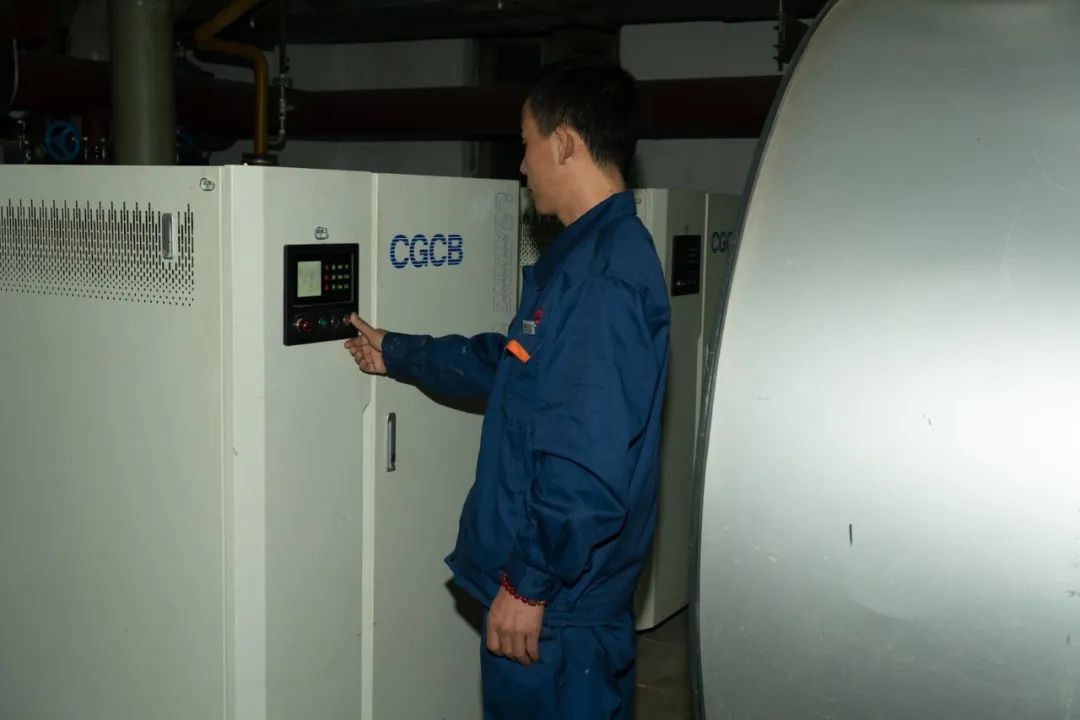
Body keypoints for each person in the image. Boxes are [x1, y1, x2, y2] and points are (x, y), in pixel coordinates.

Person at [344, 60, 670, 720]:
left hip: (560, 612)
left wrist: (528, 585)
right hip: (562, 601)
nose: (521, 165)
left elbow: (585, 464)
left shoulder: (601, 280)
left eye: (526, 143)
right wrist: (399, 352)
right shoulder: (584, 260)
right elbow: (513, 367)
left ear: (564, 142)